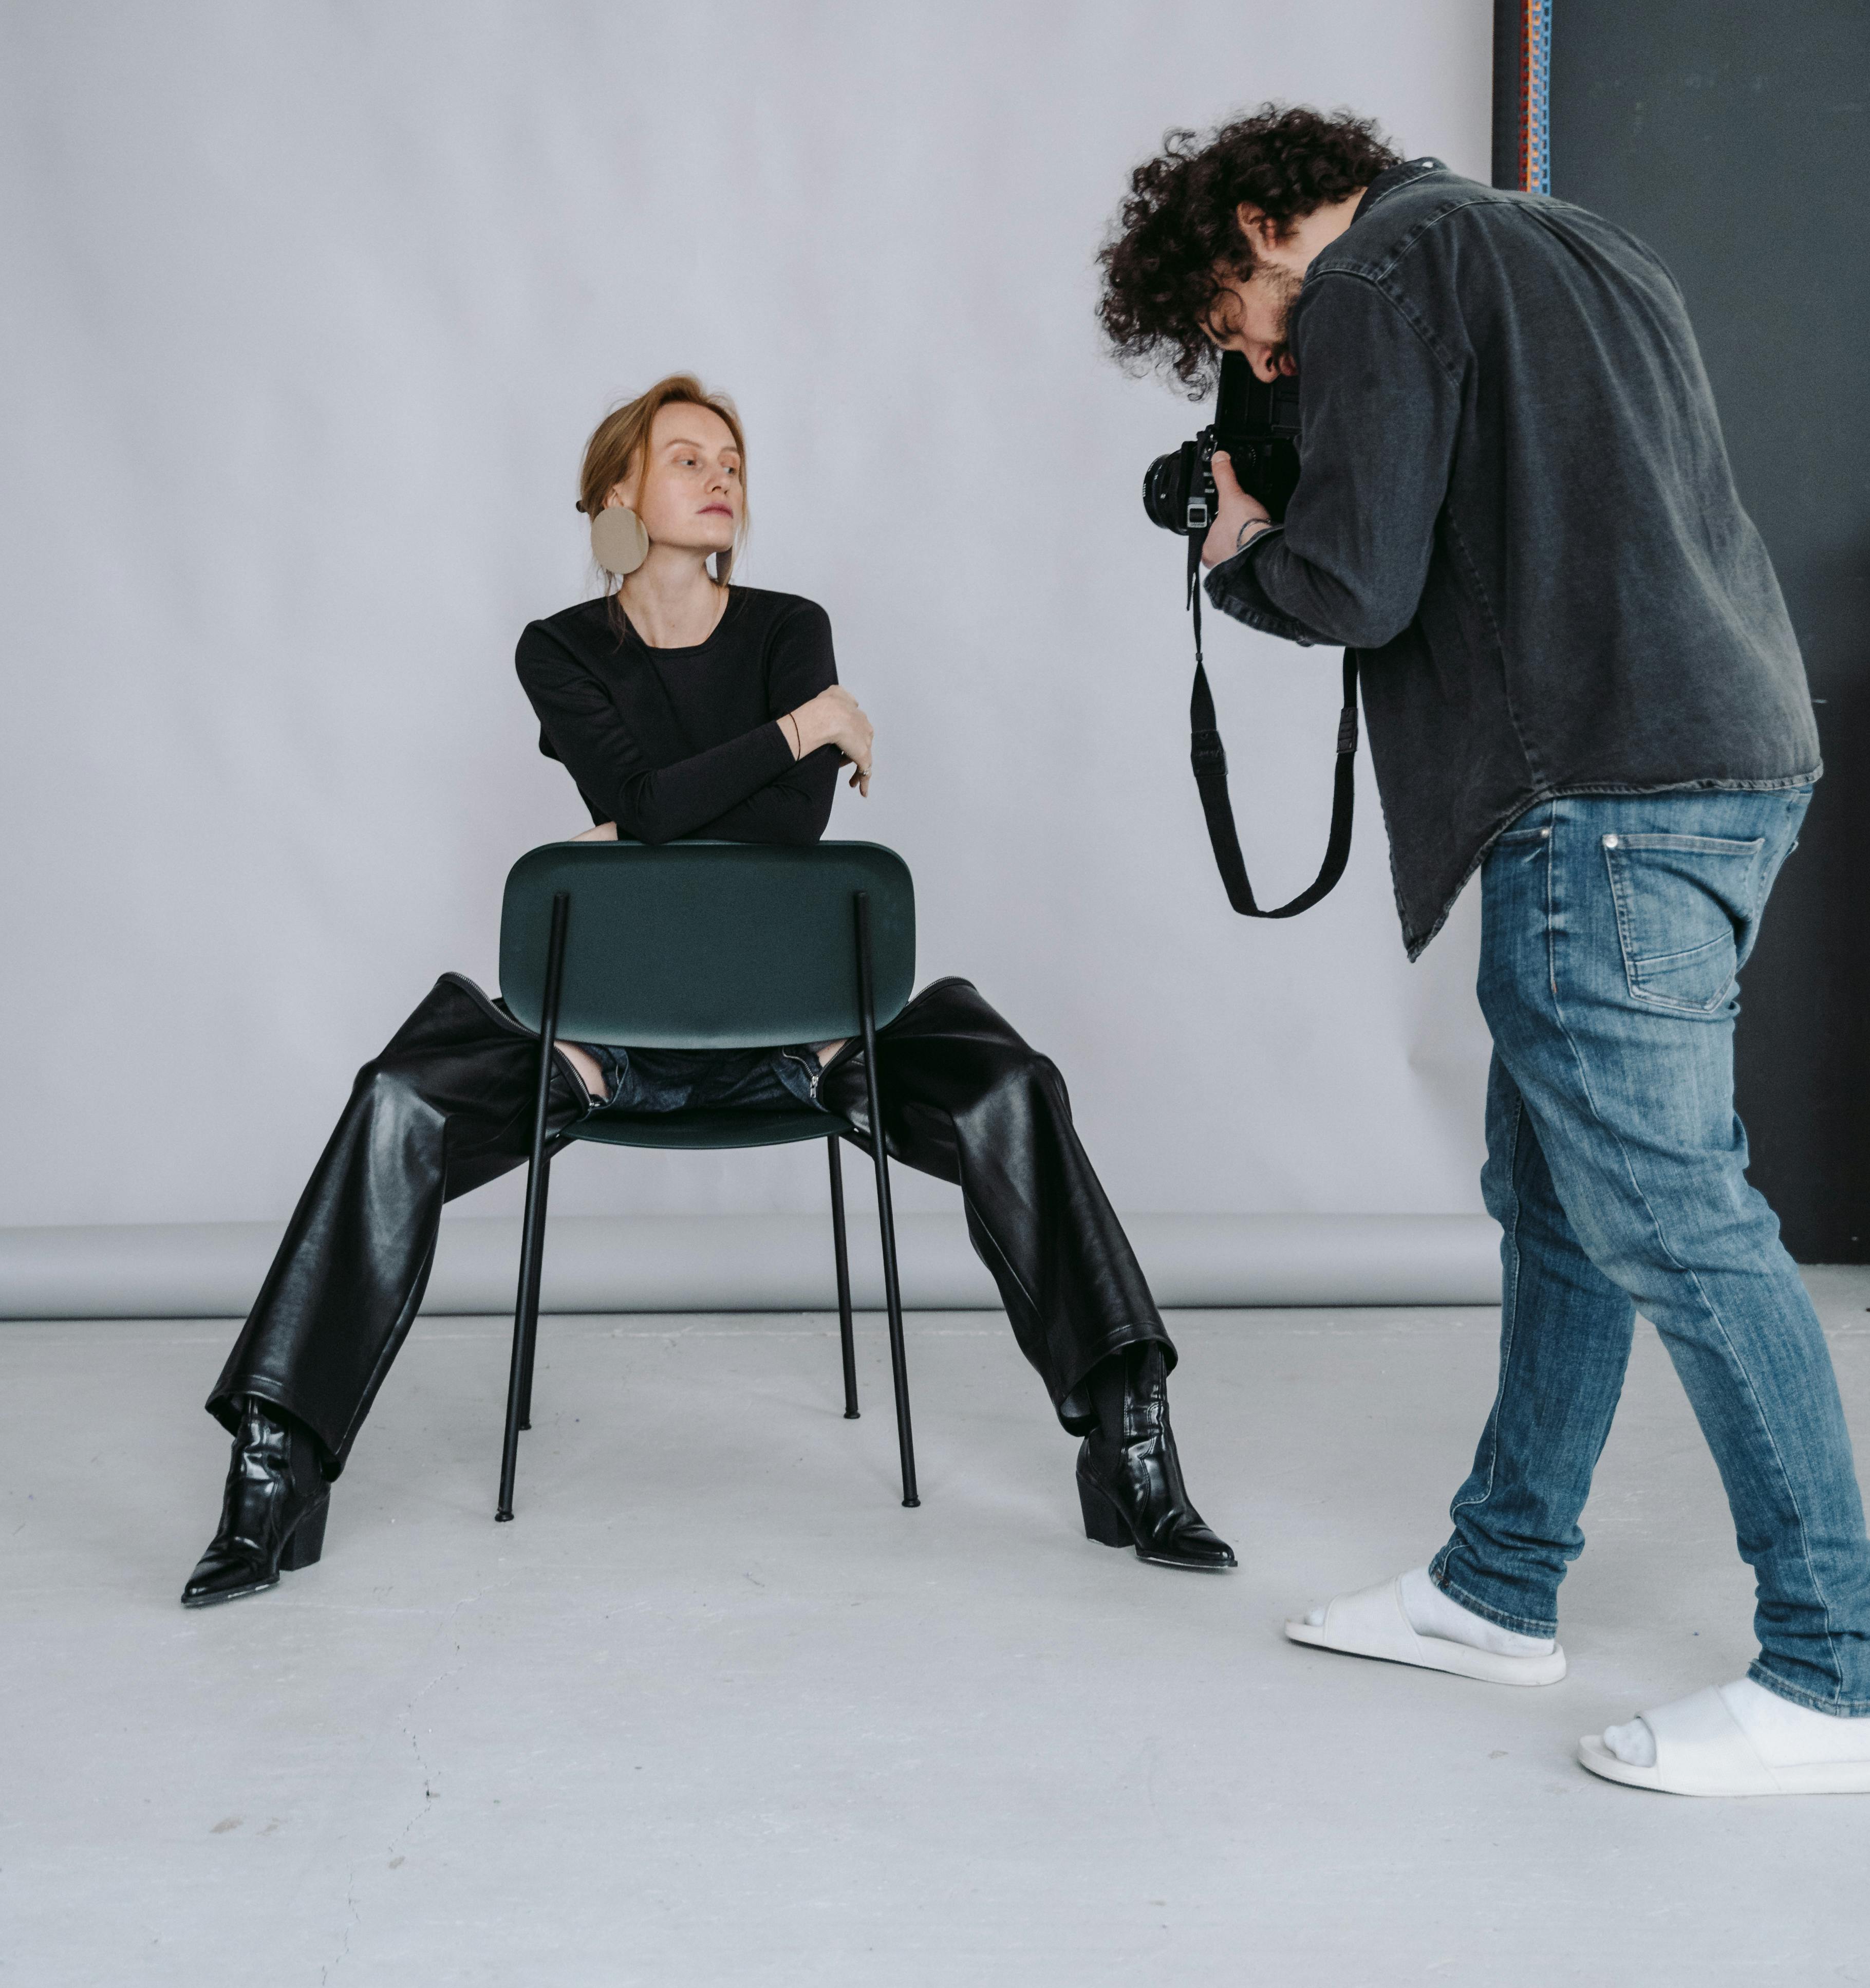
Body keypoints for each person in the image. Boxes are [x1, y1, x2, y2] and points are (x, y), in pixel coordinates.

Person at [1096, 109, 1870, 1799]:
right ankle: (1495, 1583)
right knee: (1561, 1199)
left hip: (1597, 791)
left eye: (1230, 315)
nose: (1246, 351)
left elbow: (1357, 589)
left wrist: (1241, 551)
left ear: (1262, 219)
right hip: (1721, 750)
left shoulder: (1375, 270)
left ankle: (1833, 1677)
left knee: (1675, 1217)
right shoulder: (1566, 238)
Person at [182, 373, 1233, 1608]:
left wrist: (657, 804)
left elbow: (781, 834)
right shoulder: (561, 647)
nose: (719, 472)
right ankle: (273, 1474)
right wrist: (801, 732)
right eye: (686, 456)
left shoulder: (791, 625)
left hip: (808, 1042)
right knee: (395, 1098)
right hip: (602, 1045)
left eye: (730, 456)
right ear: (619, 491)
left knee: (1009, 1081)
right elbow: (659, 807)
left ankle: (1131, 1447)